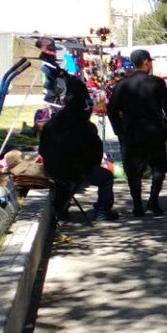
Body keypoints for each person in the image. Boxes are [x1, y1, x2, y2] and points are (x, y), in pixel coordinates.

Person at [106, 49, 167, 217]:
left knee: (133, 170)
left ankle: (138, 205)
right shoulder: (157, 83)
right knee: (158, 166)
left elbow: (111, 110)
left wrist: (119, 130)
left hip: (131, 133)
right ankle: (153, 201)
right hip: (154, 131)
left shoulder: (122, 84)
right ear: (146, 62)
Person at [39, 72, 117, 221]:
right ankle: (102, 212)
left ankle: (63, 208)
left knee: (66, 179)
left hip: (52, 169)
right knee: (106, 177)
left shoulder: (51, 123)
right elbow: (96, 154)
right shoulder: (85, 127)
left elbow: (42, 149)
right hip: (76, 170)